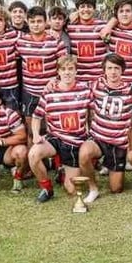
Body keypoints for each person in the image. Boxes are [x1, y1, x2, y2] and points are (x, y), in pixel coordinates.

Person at [77, 54, 132, 202]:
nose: (113, 72)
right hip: (98, 138)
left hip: (118, 144)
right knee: (84, 153)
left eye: (117, 68)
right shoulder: (96, 85)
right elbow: (74, 87)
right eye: (110, 68)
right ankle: (93, 189)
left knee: (116, 189)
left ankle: (109, 164)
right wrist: (53, 82)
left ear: (122, 70)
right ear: (104, 70)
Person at [28, 56, 91, 203]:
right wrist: (36, 134)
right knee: (33, 154)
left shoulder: (86, 90)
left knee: (72, 191)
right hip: (55, 139)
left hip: (75, 143)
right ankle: (46, 188)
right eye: (63, 69)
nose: (67, 73)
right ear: (58, 72)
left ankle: (62, 170)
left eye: (70, 69)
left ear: (76, 71)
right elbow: (37, 117)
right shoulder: (49, 92)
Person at [15, 7, 67, 136]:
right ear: (27, 22)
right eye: (32, 21)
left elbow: (64, 66)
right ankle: (32, 156)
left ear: (46, 22)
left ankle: (53, 155)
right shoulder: (20, 42)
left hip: (50, 91)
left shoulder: (55, 41)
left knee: (53, 129)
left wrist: (56, 80)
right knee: (30, 131)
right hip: (29, 93)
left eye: (39, 21)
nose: (36, 25)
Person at [106, 0, 132, 87]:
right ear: (116, 15)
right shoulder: (111, 30)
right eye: (121, 11)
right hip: (114, 83)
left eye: (128, 11)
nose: (124, 14)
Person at [66, 0, 107, 83]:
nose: (86, 9)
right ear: (77, 9)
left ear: (94, 9)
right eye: (82, 6)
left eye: (89, 6)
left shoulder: (103, 26)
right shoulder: (70, 27)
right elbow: (53, 25)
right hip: (77, 79)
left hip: (99, 79)